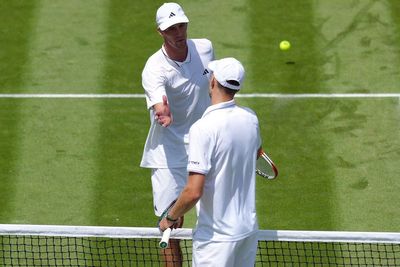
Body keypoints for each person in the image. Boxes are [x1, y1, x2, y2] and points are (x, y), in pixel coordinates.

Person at [159, 57, 262, 267]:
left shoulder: (203, 128)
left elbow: (193, 191)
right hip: (247, 233)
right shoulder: (251, 119)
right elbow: (255, 152)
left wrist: (171, 217)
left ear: (213, 81)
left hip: (216, 241)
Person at [140, 2, 214, 266]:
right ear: (161, 32)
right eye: (171, 28)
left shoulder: (204, 47)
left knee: (214, 219)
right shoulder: (154, 68)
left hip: (206, 146)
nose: (178, 32)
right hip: (168, 155)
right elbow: (159, 102)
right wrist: (163, 112)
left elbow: (214, 87)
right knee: (168, 228)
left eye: (181, 25)